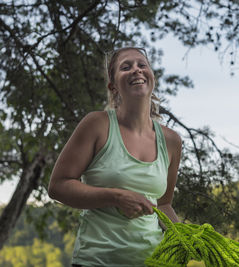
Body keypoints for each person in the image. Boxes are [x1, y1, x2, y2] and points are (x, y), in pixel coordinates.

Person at [48, 47, 182, 266]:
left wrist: (188, 237)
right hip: (96, 261)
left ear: (152, 77)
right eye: (126, 67)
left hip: (152, 262)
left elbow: (164, 204)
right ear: (113, 87)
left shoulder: (171, 141)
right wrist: (115, 197)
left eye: (142, 65)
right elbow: (58, 185)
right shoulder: (97, 124)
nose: (136, 70)